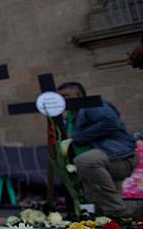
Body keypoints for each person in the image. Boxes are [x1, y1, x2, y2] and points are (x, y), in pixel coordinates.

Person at [58, 82, 138, 216]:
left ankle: (118, 212)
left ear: (79, 94)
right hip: (103, 158)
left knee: (85, 161)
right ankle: (112, 221)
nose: (63, 99)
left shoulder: (92, 104)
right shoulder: (72, 115)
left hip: (119, 155)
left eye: (66, 95)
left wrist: (77, 137)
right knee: (97, 202)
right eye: (60, 97)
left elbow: (110, 122)